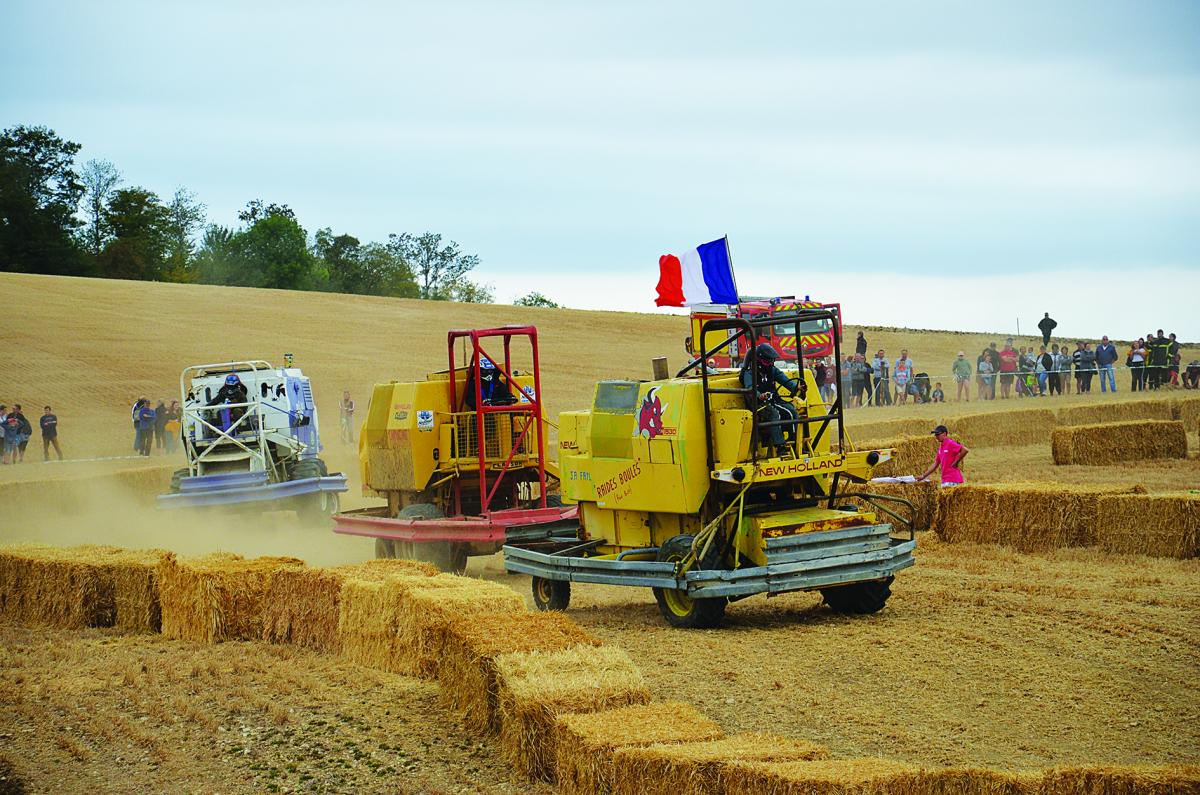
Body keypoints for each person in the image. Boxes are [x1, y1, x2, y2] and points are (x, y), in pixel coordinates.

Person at [740, 343, 799, 456]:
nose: (771, 364)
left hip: (774, 401)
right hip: (759, 405)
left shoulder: (772, 370)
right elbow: (750, 388)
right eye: (768, 361)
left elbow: (785, 381)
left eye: (772, 361)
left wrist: (796, 387)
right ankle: (780, 446)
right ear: (759, 360)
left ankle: (795, 440)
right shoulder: (749, 373)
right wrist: (759, 395)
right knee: (773, 413)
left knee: (792, 410)